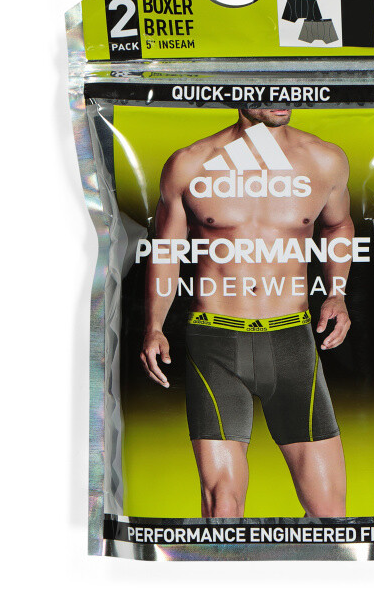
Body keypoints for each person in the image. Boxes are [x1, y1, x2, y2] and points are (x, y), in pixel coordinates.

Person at [140, 108, 354, 517]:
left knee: (330, 514)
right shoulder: (191, 163)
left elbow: (337, 225)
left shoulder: (324, 159)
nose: (280, 97)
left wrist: (336, 293)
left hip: (291, 341)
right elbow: (166, 249)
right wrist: (154, 326)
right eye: (267, 86)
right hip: (215, 342)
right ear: (239, 91)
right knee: (222, 506)